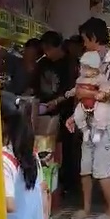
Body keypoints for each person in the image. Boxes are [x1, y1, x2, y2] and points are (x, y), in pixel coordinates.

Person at [68, 17, 110, 219]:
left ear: (93, 37)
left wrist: (87, 93)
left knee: (102, 170)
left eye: (85, 39)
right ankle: (85, 208)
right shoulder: (89, 60)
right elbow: (80, 91)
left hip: (108, 122)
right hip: (89, 120)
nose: (83, 43)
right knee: (85, 167)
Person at [34, 31, 76, 193]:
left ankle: (65, 185)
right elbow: (35, 85)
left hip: (64, 113)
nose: (46, 53)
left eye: (49, 49)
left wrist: (57, 102)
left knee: (64, 149)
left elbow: (73, 90)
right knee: (45, 148)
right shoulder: (43, 63)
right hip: (44, 113)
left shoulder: (70, 64)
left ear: (58, 47)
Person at [66, 50, 110, 141]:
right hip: (83, 103)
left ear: (94, 69)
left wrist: (101, 93)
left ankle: (99, 131)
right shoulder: (80, 79)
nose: (83, 70)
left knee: (101, 113)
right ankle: (85, 130)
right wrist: (70, 92)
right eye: (82, 67)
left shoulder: (100, 78)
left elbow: (105, 87)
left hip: (96, 103)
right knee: (78, 115)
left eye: (86, 68)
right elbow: (76, 89)